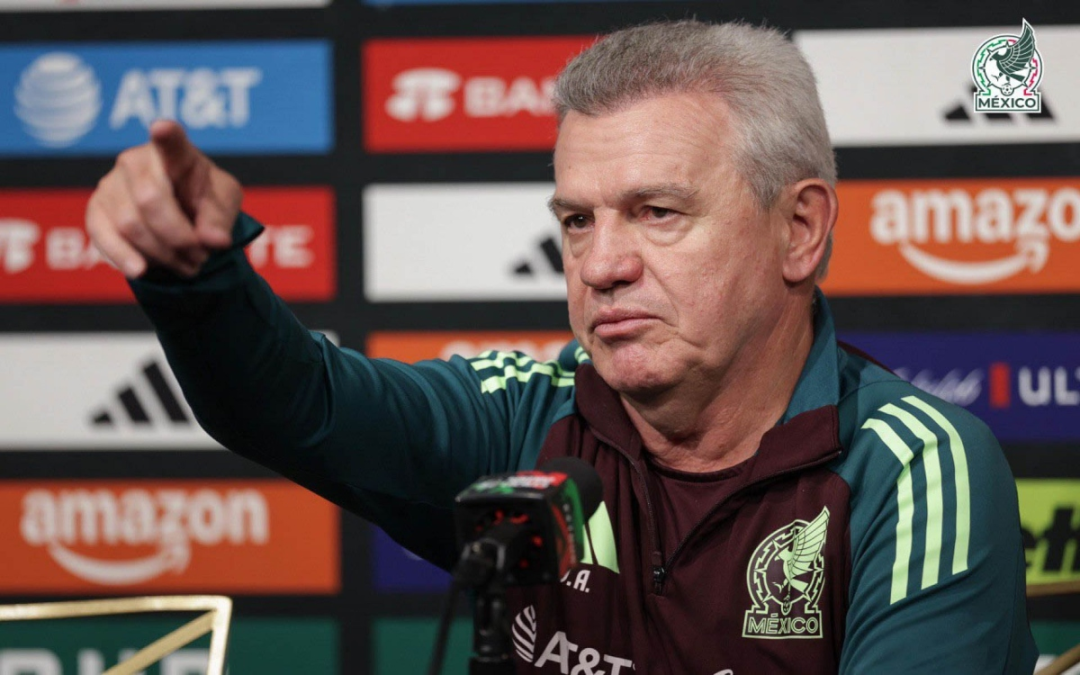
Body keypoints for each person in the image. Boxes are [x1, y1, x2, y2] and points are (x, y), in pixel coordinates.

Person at [85, 19, 1037, 674]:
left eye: (657, 212)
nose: (601, 265)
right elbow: (298, 406)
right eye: (577, 221)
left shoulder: (915, 469)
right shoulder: (525, 419)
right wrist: (198, 278)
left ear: (800, 230)